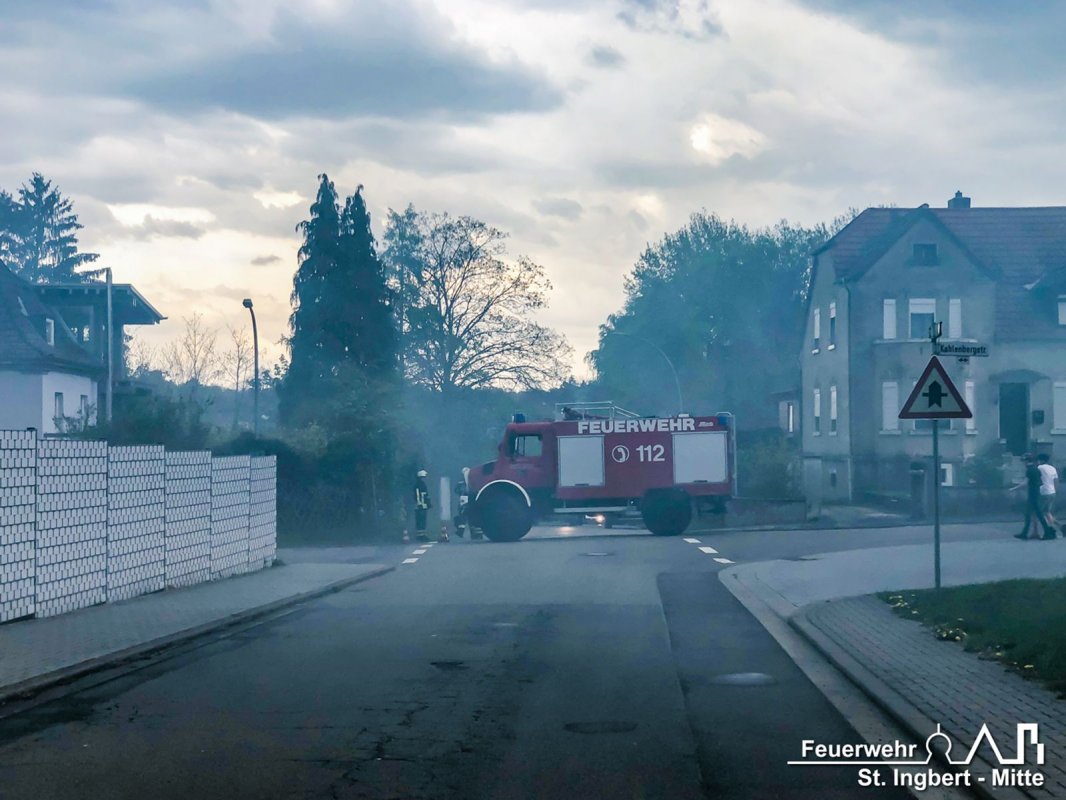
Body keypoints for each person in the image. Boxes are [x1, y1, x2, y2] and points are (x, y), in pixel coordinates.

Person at [1011, 454, 1054, 540]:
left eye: (1024, 461)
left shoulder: (1029, 470)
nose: (1023, 463)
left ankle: (1047, 532)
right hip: (1036, 493)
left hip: (1032, 494)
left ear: (1026, 461)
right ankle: (1025, 533)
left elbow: (1025, 482)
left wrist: (1014, 488)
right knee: (1030, 514)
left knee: (1037, 514)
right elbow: (1040, 481)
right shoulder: (1036, 469)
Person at [1037, 453, 1059, 539]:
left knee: (1041, 513)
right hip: (1052, 491)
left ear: (1040, 460)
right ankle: (1059, 527)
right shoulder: (1052, 468)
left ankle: (1049, 530)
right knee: (1047, 512)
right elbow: (1056, 481)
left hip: (1044, 492)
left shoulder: (1040, 468)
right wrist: (1055, 490)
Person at [414, 469, 432, 542]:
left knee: (421, 521)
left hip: (420, 506)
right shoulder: (420, 485)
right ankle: (421, 536)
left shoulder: (418, 485)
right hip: (421, 506)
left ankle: (421, 535)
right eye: (424, 477)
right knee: (421, 521)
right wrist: (422, 504)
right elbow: (420, 496)